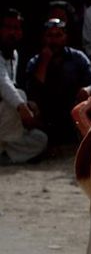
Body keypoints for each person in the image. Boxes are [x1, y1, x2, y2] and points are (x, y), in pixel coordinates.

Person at [26, 18, 91, 145]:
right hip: (48, 114)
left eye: (58, 35)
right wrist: (44, 62)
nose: (54, 40)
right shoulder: (35, 62)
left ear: (65, 37)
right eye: (50, 36)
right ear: (44, 38)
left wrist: (88, 89)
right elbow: (32, 92)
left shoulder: (78, 57)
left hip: (72, 110)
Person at [0, 9, 47, 164]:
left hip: (5, 127)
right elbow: (3, 83)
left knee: (40, 139)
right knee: (17, 97)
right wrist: (21, 106)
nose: (12, 33)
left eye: (16, 28)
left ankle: (5, 154)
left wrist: (27, 105)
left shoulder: (14, 54)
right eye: (8, 27)